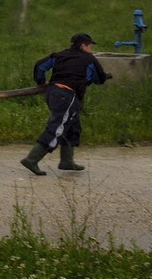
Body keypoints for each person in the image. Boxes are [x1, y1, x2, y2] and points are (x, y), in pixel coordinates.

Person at [21, 31, 107, 176]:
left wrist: (41, 82)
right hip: (67, 95)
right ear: (83, 45)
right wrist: (89, 80)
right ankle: (32, 159)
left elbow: (40, 66)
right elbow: (100, 79)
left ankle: (66, 161)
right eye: (90, 45)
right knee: (57, 128)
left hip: (53, 93)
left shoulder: (59, 55)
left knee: (73, 126)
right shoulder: (89, 59)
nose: (91, 48)